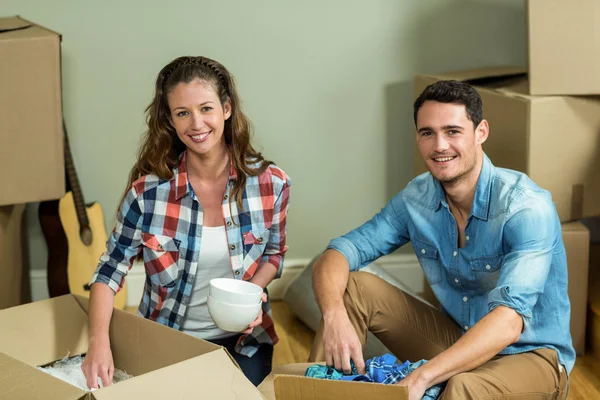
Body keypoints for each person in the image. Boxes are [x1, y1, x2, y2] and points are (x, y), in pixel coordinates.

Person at [309, 80, 573, 399]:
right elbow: (340, 251)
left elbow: (508, 323)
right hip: (457, 340)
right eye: (427, 133)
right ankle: (313, 391)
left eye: (452, 131)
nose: (439, 146)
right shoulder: (416, 200)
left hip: (531, 356)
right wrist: (334, 314)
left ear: (481, 132)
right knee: (352, 287)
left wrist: (421, 378)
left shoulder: (526, 207)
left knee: (462, 387)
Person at [81, 56, 291, 388]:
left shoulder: (272, 184)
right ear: (170, 120)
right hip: (166, 341)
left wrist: (252, 294)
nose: (196, 124)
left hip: (244, 344)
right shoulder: (147, 194)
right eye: (183, 113)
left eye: (206, 108)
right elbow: (110, 271)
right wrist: (98, 344)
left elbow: (274, 254)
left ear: (226, 108)